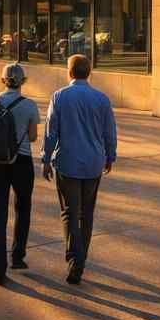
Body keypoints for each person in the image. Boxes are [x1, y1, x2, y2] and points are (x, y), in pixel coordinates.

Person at [41, 53, 117, 286]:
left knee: (69, 212)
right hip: (93, 163)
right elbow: (109, 132)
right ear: (89, 72)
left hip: (68, 162)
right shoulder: (101, 99)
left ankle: (76, 259)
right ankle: (80, 257)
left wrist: (45, 158)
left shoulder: (60, 97)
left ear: (70, 72)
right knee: (87, 213)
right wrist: (110, 156)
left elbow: (51, 131)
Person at [0, 62, 40, 286]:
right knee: (22, 208)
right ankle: (18, 256)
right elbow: (33, 137)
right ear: (23, 81)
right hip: (21, 162)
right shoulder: (29, 105)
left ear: (3, 80)